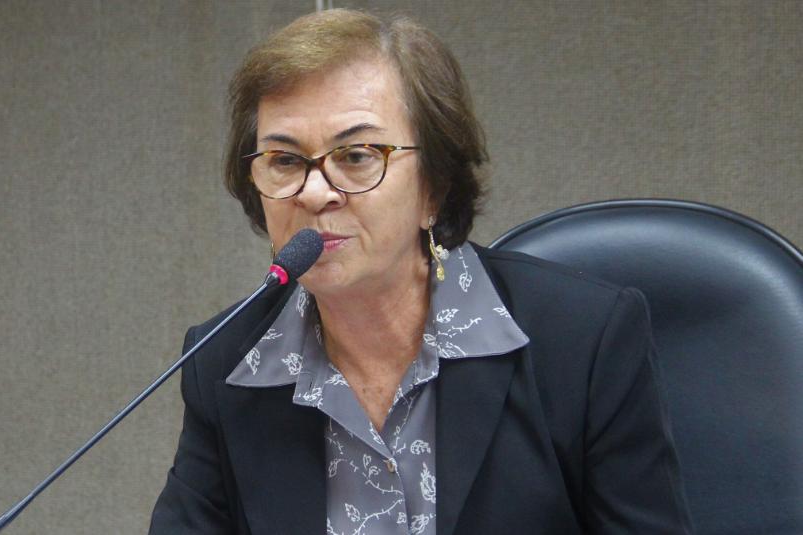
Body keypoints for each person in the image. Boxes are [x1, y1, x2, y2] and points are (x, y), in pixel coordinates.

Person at [150, 9, 692, 535]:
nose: (314, 193)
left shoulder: (583, 343)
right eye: (285, 161)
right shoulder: (226, 364)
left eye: (356, 156)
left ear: (434, 186)